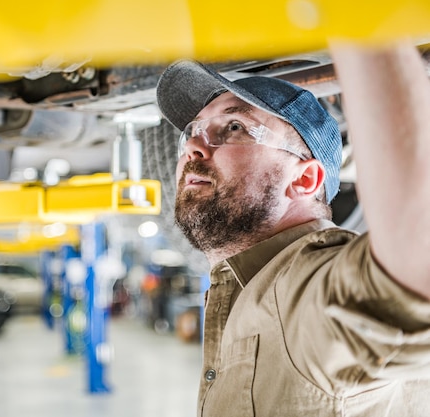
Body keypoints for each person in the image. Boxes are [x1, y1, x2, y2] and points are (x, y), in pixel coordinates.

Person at [155, 39, 430, 417]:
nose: (193, 148)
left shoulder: (309, 291)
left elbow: (414, 277)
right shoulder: (245, 292)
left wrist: (367, 28)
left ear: (304, 179)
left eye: (234, 126)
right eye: (193, 131)